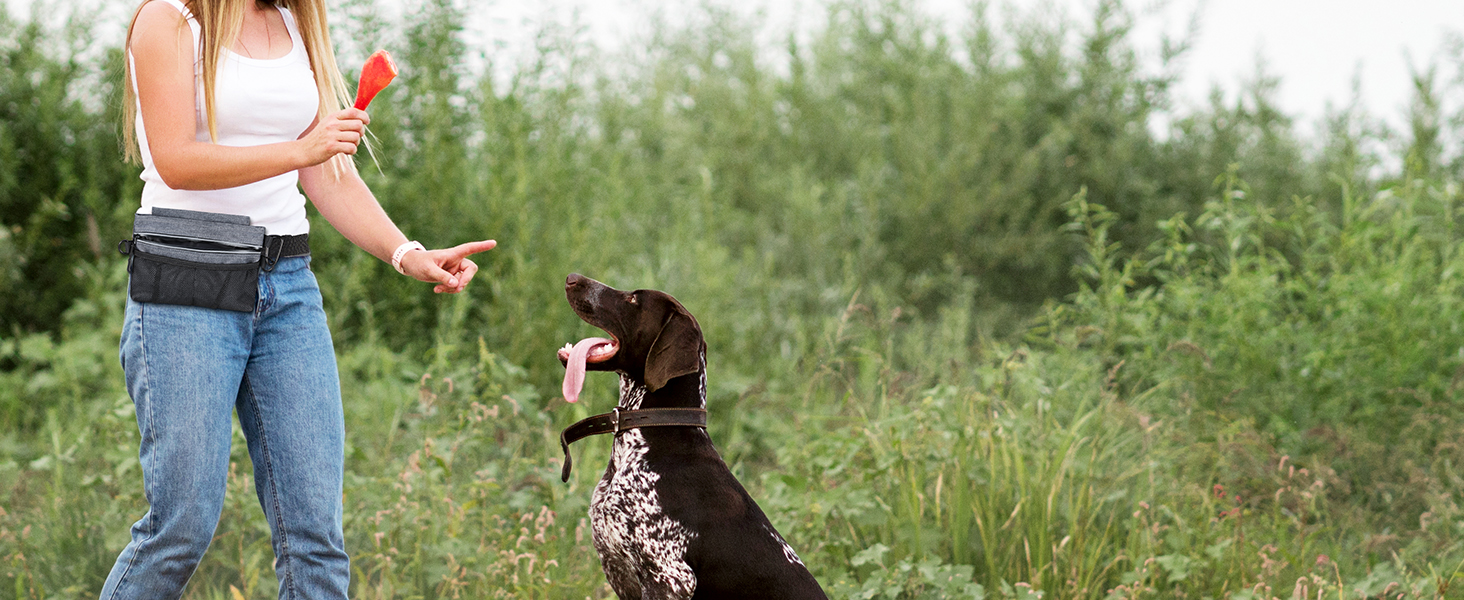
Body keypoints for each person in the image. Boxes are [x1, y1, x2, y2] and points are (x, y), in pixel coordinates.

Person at [102, 0, 494, 597]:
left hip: (286, 284)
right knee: (179, 527)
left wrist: (408, 254)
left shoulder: (296, 21)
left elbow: (328, 172)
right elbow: (176, 160)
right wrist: (300, 150)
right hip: (187, 281)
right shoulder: (171, 19)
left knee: (316, 540)